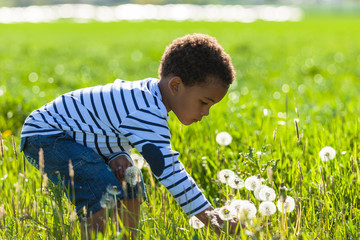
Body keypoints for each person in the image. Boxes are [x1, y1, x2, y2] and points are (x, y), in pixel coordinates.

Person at [20, 33, 239, 238]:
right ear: (176, 86)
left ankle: (127, 236)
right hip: (47, 135)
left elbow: (104, 123)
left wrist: (116, 154)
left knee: (130, 178)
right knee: (102, 187)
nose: (206, 112)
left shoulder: (149, 97)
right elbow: (169, 171)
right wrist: (213, 219)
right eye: (204, 102)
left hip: (72, 135)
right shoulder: (147, 109)